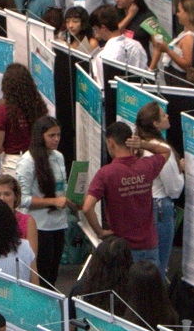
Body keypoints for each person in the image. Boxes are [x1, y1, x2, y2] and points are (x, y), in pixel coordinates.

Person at [82, 120, 169, 265]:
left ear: (110, 143)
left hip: (123, 249)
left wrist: (100, 232)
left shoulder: (106, 173)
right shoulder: (146, 166)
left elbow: (87, 207)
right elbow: (166, 151)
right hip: (149, 245)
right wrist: (142, 144)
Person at [13, 118, 70, 288]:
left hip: (59, 223)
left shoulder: (58, 156)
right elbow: (22, 199)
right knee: (41, 275)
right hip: (39, 226)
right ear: (40, 136)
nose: (56, 139)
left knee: (53, 275)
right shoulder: (28, 161)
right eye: (51, 135)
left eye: (58, 135)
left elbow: (63, 187)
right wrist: (53, 201)